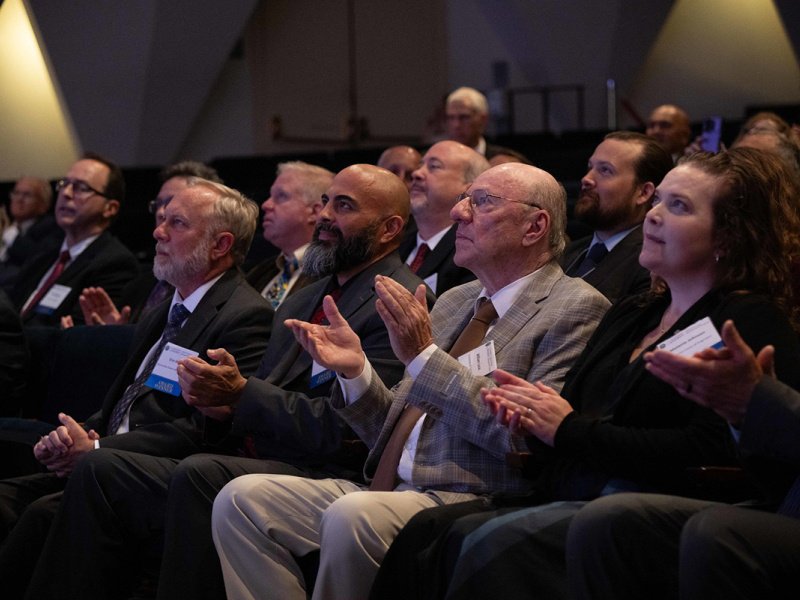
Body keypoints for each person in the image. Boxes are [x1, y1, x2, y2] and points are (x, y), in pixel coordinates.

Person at [368, 147, 800, 600]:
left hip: (652, 505)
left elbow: (710, 451)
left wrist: (565, 429)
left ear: (729, 235)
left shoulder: (745, 322)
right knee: (433, 532)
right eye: (658, 201)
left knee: (478, 540)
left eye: (678, 206)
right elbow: (566, 418)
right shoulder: (634, 314)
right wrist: (525, 412)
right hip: (579, 489)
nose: (652, 217)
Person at [21, 164, 432, 600]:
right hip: (261, 455)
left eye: (344, 206)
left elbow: (358, 430)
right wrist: (218, 406)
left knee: (167, 470)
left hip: (329, 471)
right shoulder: (306, 295)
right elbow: (258, 396)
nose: (325, 215)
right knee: (85, 482)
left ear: (389, 229)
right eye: (326, 201)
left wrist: (240, 397)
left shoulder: (399, 304)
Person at [211, 162, 610, 600]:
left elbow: (523, 439)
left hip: (472, 493)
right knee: (241, 499)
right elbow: (394, 424)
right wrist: (355, 372)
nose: (459, 213)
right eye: (464, 199)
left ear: (535, 227)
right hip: (388, 487)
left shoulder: (575, 307)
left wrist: (424, 357)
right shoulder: (458, 301)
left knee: (353, 514)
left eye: (481, 202)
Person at [0, 178, 273, 599]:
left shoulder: (245, 316)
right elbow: (123, 403)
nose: (157, 232)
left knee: (40, 515)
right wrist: (79, 436)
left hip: (151, 478)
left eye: (176, 224)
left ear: (220, 245)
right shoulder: (168, 308)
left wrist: (95, 452)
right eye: (162, 219)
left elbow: (201, 430)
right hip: (106, 461)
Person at [566, 321, 800, 600]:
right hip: (785, 504)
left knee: (716, 533)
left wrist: (761, 403)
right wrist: (744, 415)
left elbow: (703, 446)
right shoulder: (638, 311)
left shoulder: (756, 316)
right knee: (605, 520)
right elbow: (774, 476)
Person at [63, 160, 224, 327]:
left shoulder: (212, 291)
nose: (161, 212)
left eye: (172, 203)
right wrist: (110, 336)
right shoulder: (139, 286)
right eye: (159, 204)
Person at [7, 153, 140, 327]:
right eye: (64, 184)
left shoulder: (116, 265)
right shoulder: (44, 253)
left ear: (110, 208)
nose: (66, 193)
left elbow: (71, 335)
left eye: (81, 188)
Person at [561, 131, 673, 302]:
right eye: (590, 168)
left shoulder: (652, 265)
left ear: (643, 192)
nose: (586, 179)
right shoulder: (564, 253)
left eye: (605, 170)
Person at [399, 141, 486, 295]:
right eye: (420, 165)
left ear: (469, 189)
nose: (416, 174)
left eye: (434, 166)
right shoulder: (398, 244)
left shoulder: (474, 254)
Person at [245, 161, 333, 307]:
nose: (266, 205)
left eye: (281, 196)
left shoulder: (333, 275)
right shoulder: (259, 272)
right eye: (270, 196)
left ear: (315, 211)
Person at [0, 177, 59, 268]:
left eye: (27, 195)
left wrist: (12, 237)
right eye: (16, 193)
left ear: (44, 204)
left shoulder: (52, 227)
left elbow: (38, 259)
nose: (19, 199)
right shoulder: (10, 225)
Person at [445, 87, 516, 160]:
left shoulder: (504, 160)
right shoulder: (438, 159)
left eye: (464, 117)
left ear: (483, 119)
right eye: (451, 117)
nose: (456, 125)